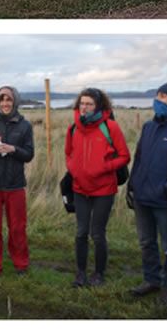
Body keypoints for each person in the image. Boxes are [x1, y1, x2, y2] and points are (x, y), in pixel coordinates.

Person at [65, 88, 131, 287]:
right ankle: (81, 273)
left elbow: (124, 156)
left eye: (89, 104)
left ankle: (99, 274)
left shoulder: (110, 127)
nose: (84, 107)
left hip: (104, 189)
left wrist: (103, 168)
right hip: (80, 189)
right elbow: (68, 154)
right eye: (82, 103)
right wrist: (74, 169)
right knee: (80, 232)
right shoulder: (73, 129)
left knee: (97, 233)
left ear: (99, 106)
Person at [0, 85, 34, 280]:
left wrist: (14, 150)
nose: (5, 103)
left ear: (15, 101)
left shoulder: (25, 126)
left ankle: (21, 263)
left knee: (18, 227)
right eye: (2, 100)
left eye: (9, 99)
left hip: (15, 185)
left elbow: (29, 155)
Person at [128, 83, 167, 304]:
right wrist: (132, 185)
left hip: (164, 200)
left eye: (164, 96)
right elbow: (140, 158)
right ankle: (151, 279)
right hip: (143, 196)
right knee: (146, 242)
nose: (158, 100)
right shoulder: (148, 127)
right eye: (158, 96)